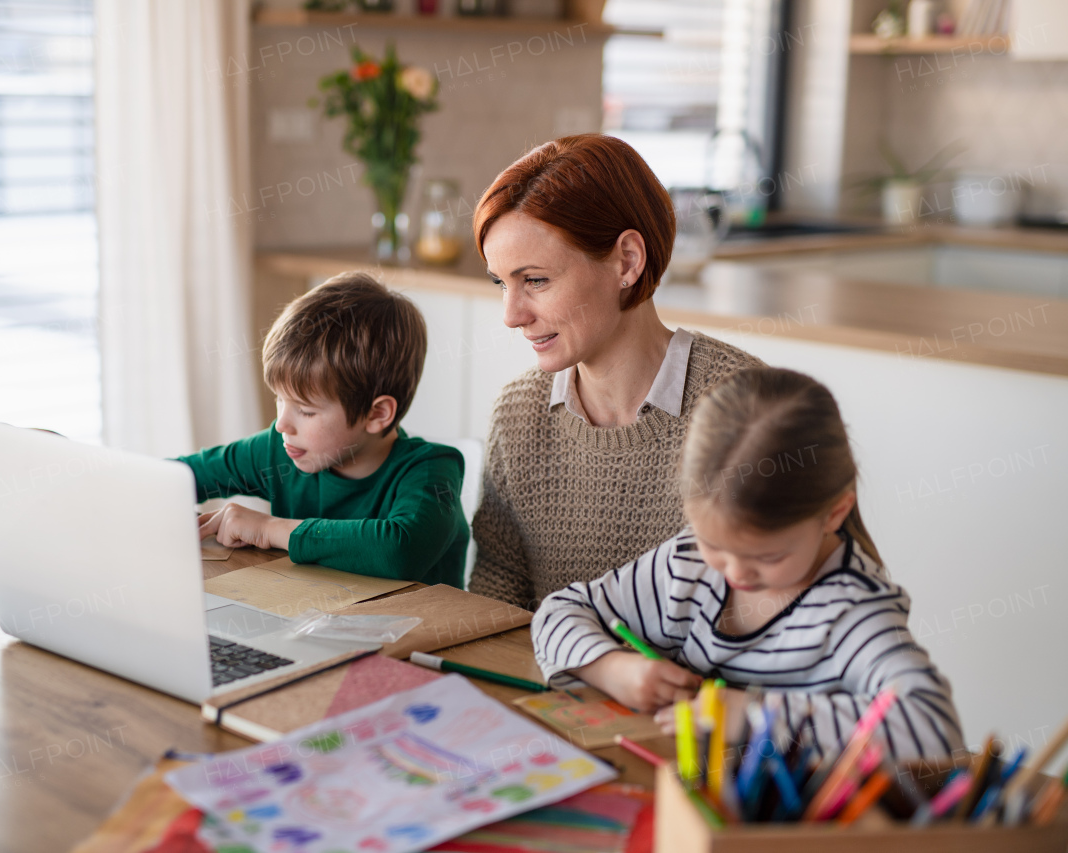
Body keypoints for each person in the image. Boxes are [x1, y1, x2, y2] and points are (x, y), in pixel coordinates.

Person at [531, 368, 964, 758]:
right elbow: (558, 612)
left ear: (833, 514)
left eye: (767, 556)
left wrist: (758, 717)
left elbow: (934, 729)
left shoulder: (850, 612)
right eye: (713, 544)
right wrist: (613, 669)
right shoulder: (689, 565)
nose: (735, 573)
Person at [469, 134, 764, 611]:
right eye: (501, 284)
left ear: (626, 261)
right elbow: (500, 580)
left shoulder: (749, 407)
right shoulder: (519, 413)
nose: (512, 314)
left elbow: (790, 612)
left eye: (535, 280)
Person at [177, 272, 470, 586]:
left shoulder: (433, 469)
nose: (281, 424)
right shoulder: (280, 450)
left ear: (377, 414)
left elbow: (400, 549)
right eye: (280, 399)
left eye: (305, 410)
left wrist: (267, 529)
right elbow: (177, 477)